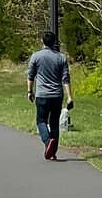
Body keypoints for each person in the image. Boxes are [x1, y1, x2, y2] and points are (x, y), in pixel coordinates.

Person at [26, 31, 73, 160]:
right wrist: (69, 96)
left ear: (43, 41)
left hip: (42, 95)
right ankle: (52, 153)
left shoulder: (36, 56)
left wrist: (30, 91)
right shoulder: (61, 57)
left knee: (41, 120)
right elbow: (66, 78)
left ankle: (48, 143)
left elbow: (31, 75)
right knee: (54, 123)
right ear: (54, 42)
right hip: (57, 95)